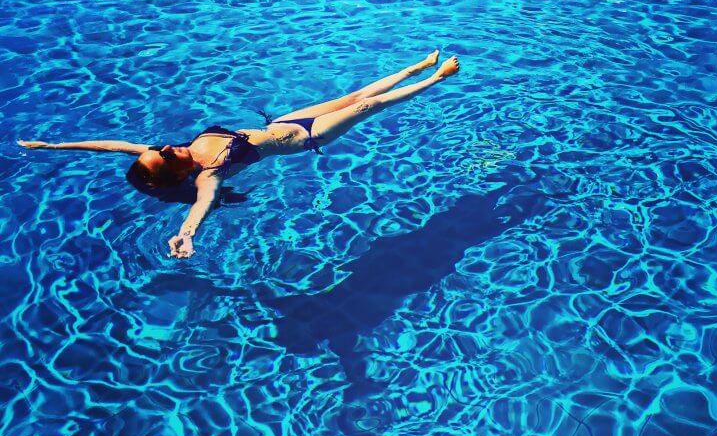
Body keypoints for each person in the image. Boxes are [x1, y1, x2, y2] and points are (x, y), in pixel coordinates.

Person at [18, 51, 459, 259]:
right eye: (166, 156)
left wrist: (56, 145)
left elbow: (113, 145)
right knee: (365, 108)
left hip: (281, 122)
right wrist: (188, 234)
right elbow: (203, 206)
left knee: (354, 94)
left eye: (159, 150)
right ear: (176, 172)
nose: (165, 147)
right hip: (306, 139)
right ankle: (436, 79)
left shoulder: (177, 152)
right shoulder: (209, 173)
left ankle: (413, 68)